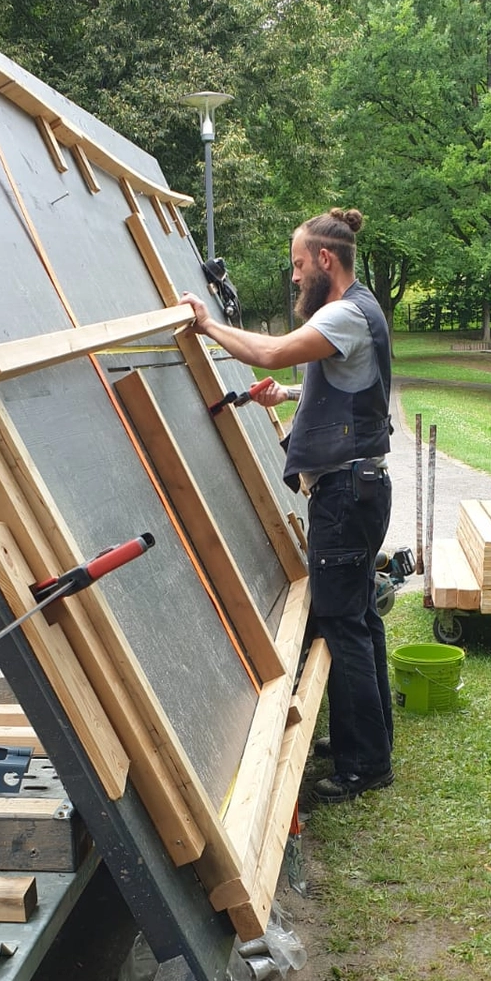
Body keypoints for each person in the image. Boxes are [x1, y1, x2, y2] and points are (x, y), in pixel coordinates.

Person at [181, 206, 394, 804]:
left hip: (345, 495)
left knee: (343, 622)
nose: (295, 276)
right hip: (359, 488)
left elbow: (272, 350)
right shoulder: (361, 310)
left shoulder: (345, 312)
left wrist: (208, 325)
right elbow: (354, 384)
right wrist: (293, 394)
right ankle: (368, 743)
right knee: (359, 617)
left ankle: (363, 765)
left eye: (299, 265)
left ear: (325, 259)